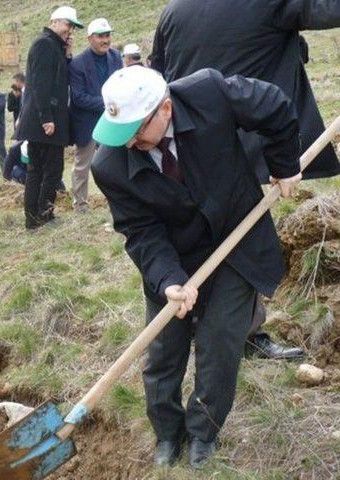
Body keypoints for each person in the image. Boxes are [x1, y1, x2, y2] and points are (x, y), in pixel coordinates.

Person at [91, 66, 302, 469]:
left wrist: (284, 163)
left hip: (237, 237)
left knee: (220, 340)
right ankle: (168, 434)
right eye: (121, 132)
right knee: (164, 350)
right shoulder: (109, 166)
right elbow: (140, 230)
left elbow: (274, 106)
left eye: (136, 130)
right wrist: (169, 281)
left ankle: (204, 431)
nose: (130, 142)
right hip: (175, 254)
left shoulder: (208, 93)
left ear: (165, 109)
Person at [149, 0, 340, 360]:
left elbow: (155, 72)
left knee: (201, 231)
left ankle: (198, 320)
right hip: (241, 137)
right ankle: (238, 332)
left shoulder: (173, 11)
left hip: (180, 141)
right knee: (241, 239)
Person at [15, 6, 83, 229]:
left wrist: (68, 54)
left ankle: (34, 219)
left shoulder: (54, 45)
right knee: (49, 171)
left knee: (39, 170)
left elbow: (59, 78)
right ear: (54, 22)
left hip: (44, 119)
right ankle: (42, 216)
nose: (70, 30)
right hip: (44, 121)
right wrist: (46, 118)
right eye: (68, 24)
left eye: (73, 27)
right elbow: (40, 85)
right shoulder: (45, 44)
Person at [69, 18, 122, 213]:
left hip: (113, 119)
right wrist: (107, 103)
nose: (105, 40)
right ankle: (80, 205)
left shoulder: (116, 56)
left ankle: (117, 200)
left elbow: (121, 84)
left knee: (116, 161)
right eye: (101, 36)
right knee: (83, 165)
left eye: (108, 35)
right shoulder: (77, 64)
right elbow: (78, 98)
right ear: (90, 38)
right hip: (87, 122)